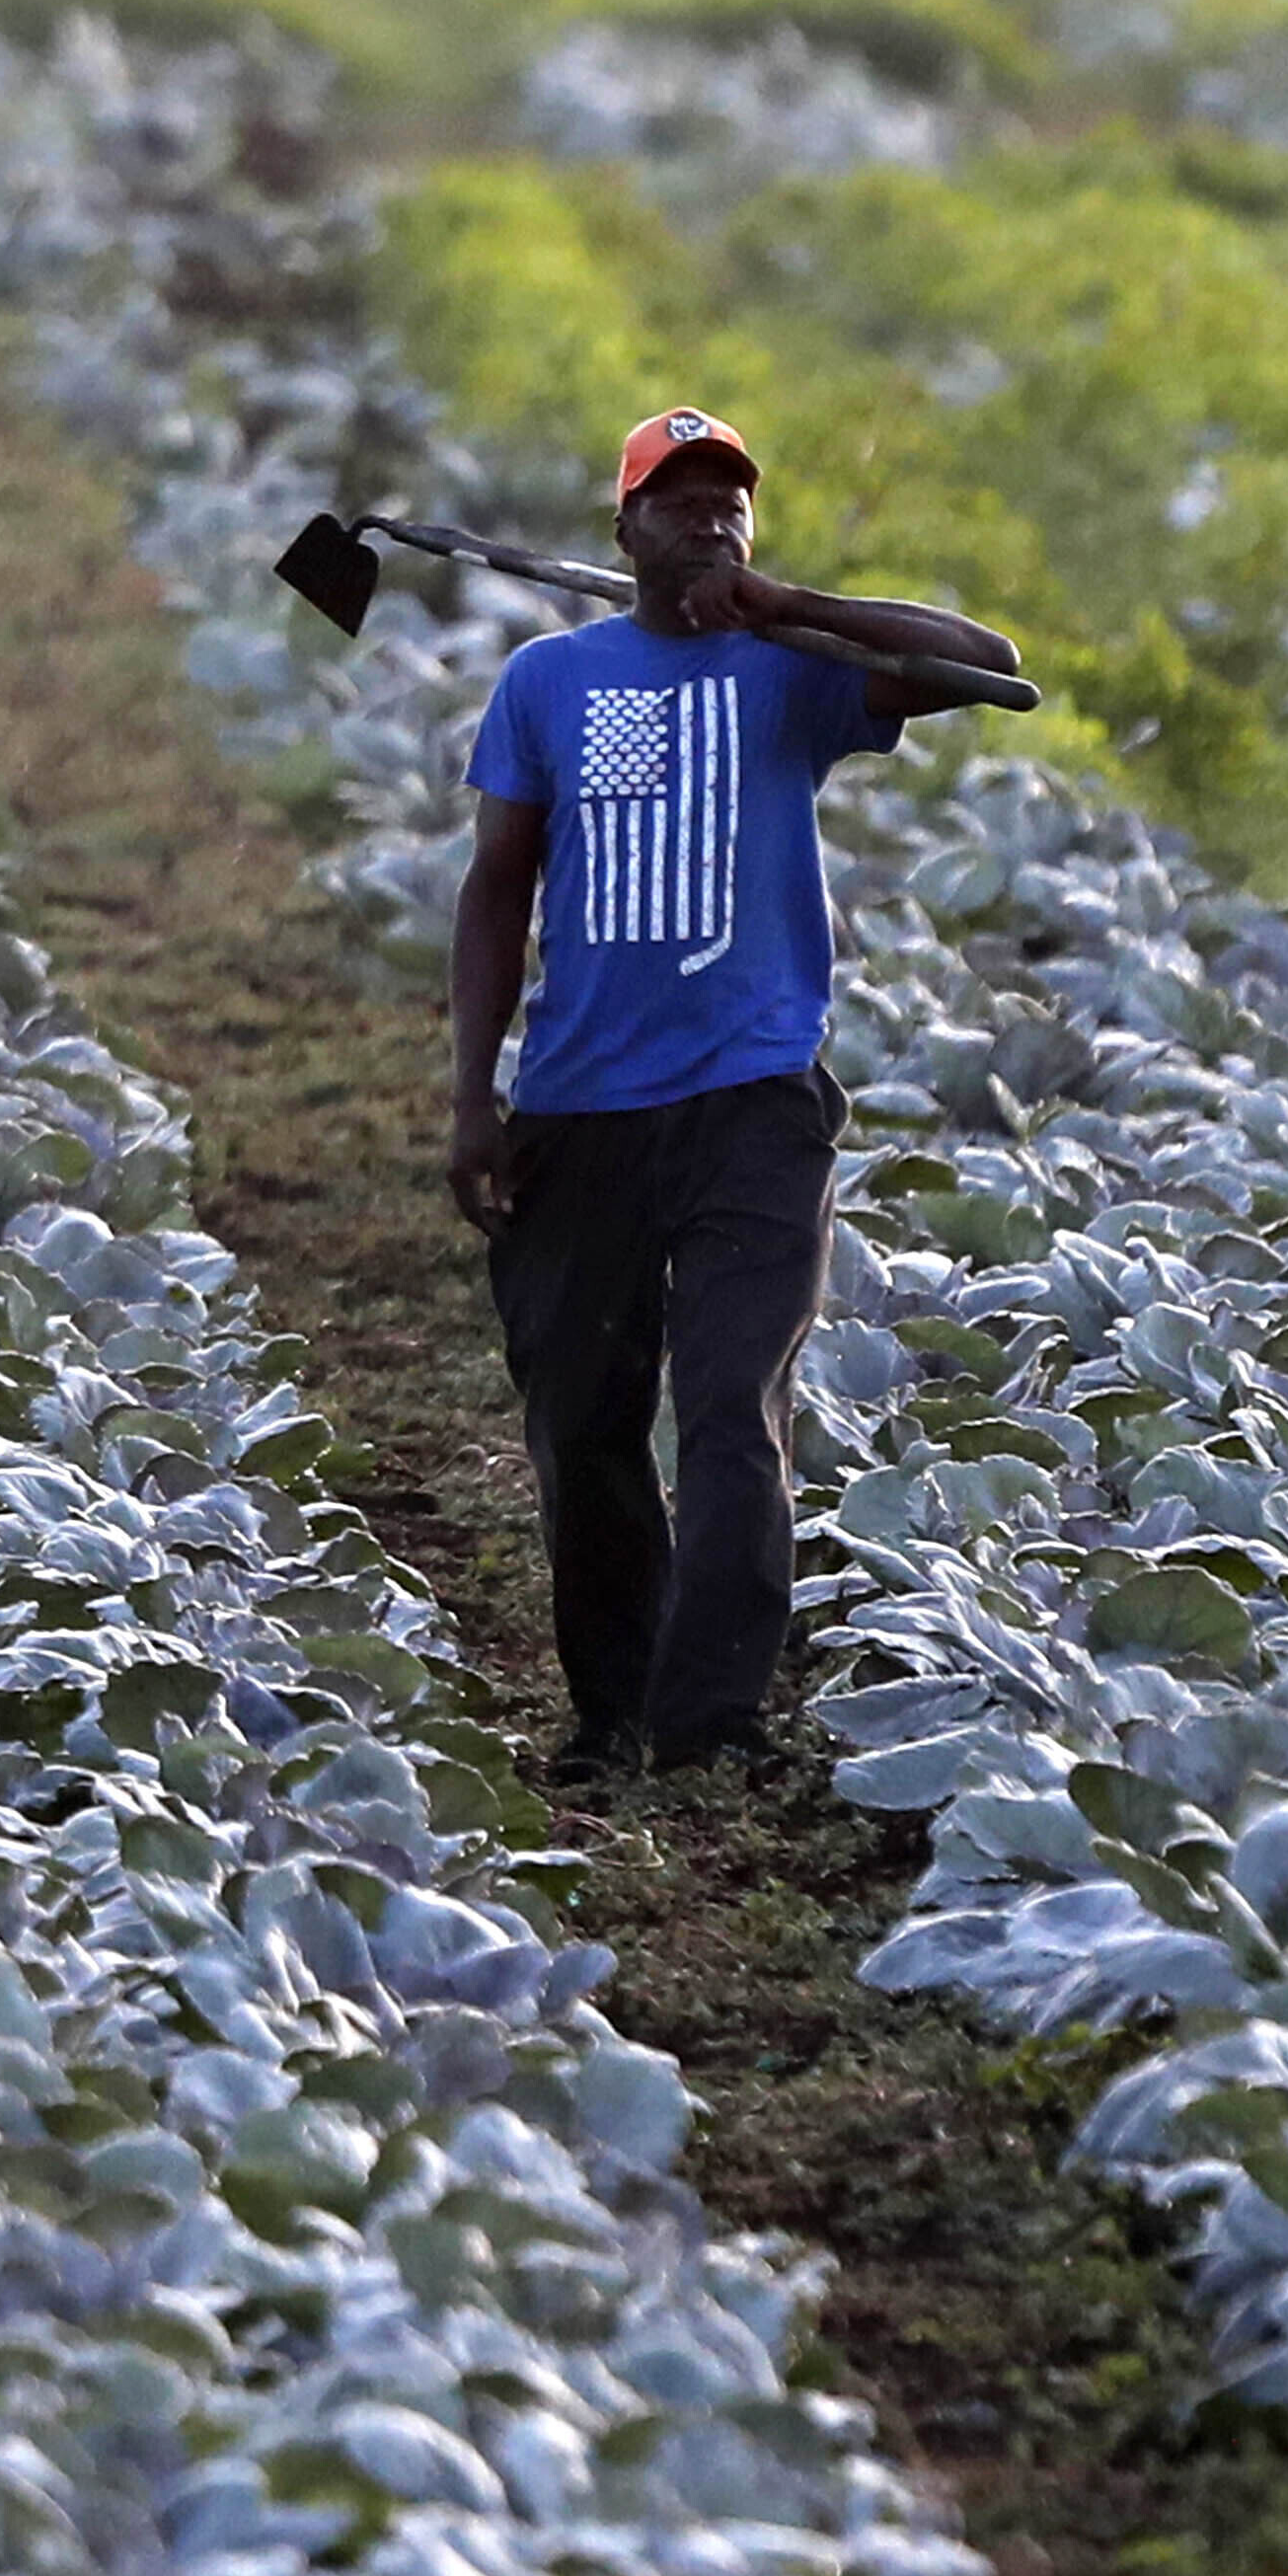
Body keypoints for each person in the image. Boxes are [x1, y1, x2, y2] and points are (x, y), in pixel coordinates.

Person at [442, 404, 1023, 1782]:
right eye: (678, 499)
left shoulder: (798, 675)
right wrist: (474, 1095)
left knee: (728, 1410)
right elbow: (495, 891)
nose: (708, 517)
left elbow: (991, 665)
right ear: (625, 528)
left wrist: (786, 606)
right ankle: (614, 1711)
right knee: (583, 1421)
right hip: (579, 1107)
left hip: (755, 1105)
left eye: (730, 501)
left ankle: (709, 1728)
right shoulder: (548, 681)